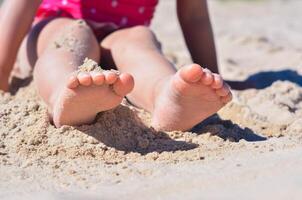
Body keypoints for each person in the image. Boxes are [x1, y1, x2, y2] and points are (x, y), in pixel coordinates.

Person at [0, 0, 232, 131]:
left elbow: (194, 15)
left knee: (139, 42)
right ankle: (64, 91)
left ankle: (164, 96)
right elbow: (21, 4)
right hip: (58, 21)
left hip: (120, 33)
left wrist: (211, 73)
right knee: (71, 37)